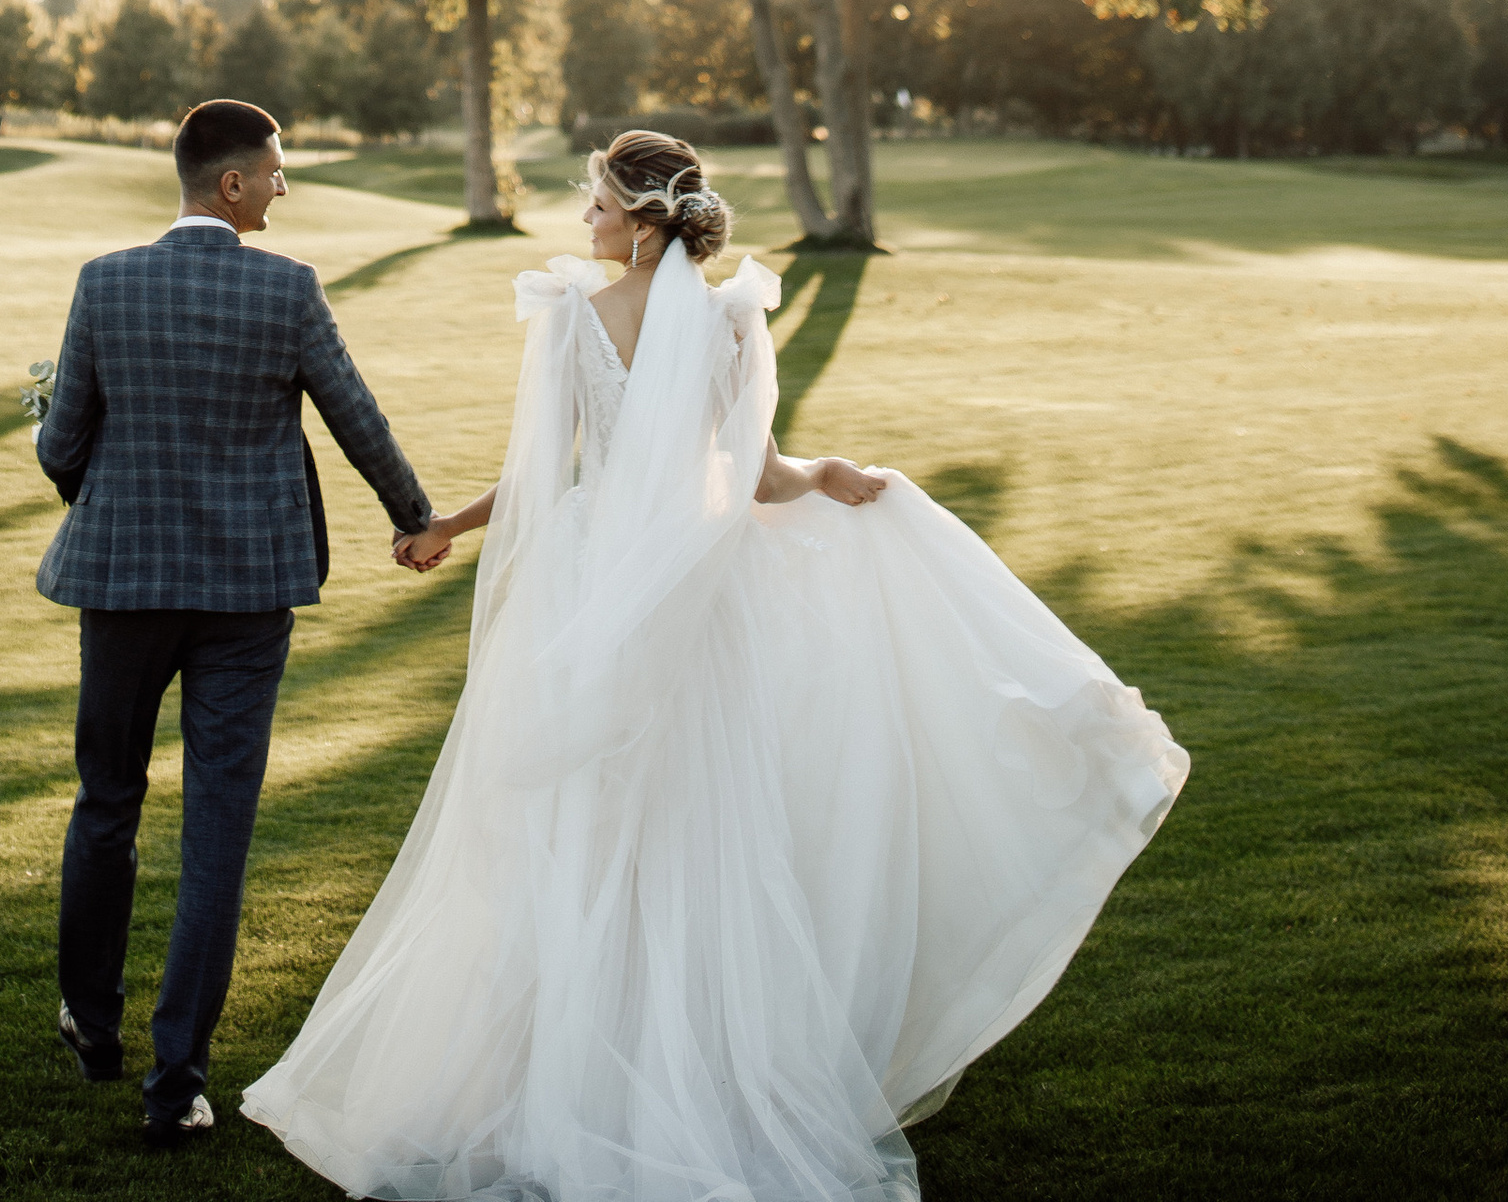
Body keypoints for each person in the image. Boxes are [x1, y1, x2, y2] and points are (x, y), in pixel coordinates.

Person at [243, 127, 1188, 1202]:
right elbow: (754, 476)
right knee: (694, 819)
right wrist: (818, 472)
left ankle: (596, 1067)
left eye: (597, 204)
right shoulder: (728, 315)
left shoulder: (574, 320)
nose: (584, 220)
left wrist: (449, 527)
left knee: (599, 820)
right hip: (699, 587)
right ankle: (662, 1059)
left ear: (645, 223)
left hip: (609, 584)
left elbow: (544, 475)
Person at [32, 96, 437, 1149]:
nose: (283, 188)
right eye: (275, 173)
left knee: (105, 800)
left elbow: (59, 446)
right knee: (218, 829)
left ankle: (89, 1018)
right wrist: (415, 520)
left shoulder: (104, 283)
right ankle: (177, 1086)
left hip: (121, 589)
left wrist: (114, 493)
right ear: (231, 184)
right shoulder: (288, 290)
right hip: (246, 599)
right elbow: (357, 418)